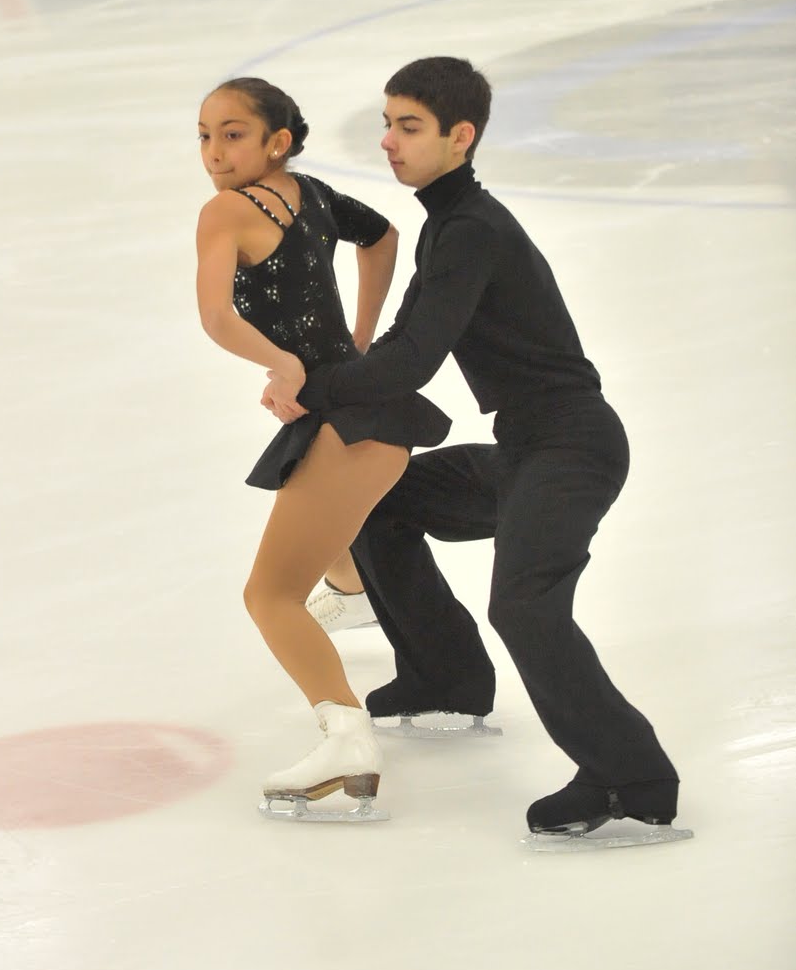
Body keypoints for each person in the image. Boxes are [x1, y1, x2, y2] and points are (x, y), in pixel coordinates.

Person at [266, 56, 680, 839]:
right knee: (377, 502)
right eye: (387, 121)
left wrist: (314, 389)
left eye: (409, 126)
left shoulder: (472, 232)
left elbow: (415, 357)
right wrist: (325, 382)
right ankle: (444, 677)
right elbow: (398, 344)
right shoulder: (447, 227)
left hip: (572, 446)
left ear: (462, 136)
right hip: (523, 446)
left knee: (523, 605)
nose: (388, 140)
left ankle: (632, 776)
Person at [195, 76, 449, 818]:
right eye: (205, 135)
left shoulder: (226, 211)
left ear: (277, 141)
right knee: (316, 509)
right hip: (371, 416)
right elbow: (381, 238)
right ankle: (351, 589)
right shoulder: (307, 194)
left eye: (233, 133)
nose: (214, 152)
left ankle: (344, 736)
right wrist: (359, 343)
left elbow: (214, 318)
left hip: (345, 427)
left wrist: (287, 364)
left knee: (268, 595)